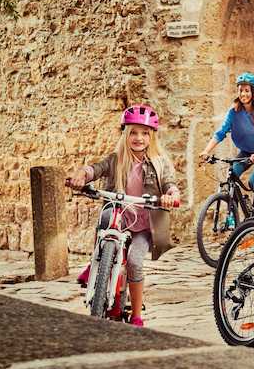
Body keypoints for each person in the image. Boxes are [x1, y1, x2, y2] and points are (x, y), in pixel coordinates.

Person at [67, 104, 180, 327]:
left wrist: (171, 194)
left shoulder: (160, 162)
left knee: (135, 263)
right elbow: (95, 169)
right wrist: (81, 175)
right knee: (107, 216)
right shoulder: (117, 159)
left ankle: (137, 314)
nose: (138, 138)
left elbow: (170, 184)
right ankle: (96, 264)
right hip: (120, 218)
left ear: (152, 136)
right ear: (125, 134)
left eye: (144, 133)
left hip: (144, 225)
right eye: (133, 132)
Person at [199, 72, 254, 221]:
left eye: (246, 90)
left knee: (253, 182)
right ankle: (233, 216)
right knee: (232, 176)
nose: (243, 93)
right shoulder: (234, 112)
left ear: (252, 92)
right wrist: (206, 151)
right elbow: (221, 132)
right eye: (240, 90)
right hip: (247, 152)